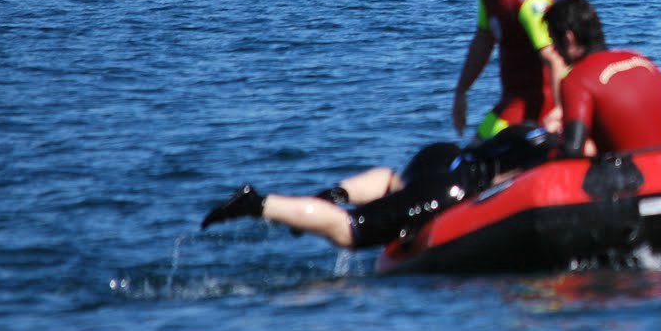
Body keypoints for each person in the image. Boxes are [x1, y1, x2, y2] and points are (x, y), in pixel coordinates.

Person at [199, 125, 551, 248]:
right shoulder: (557, 151)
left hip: (446, 155)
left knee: (393, 182)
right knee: (350, 231)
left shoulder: (543, 129)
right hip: (450, 189)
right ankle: (256, 203)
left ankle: (333, 195)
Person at [452, 0, 565, 140]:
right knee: (472, 158)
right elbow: (483, 40)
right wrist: (461, 91)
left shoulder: (529, 0)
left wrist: (561, 110)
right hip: (513, 99)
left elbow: (555, 59)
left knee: (480, 159)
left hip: (540, 105)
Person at [546, 0, 661, 156]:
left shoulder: (576, 79)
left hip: (630, 175)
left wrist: (551, 139)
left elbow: (572, 150)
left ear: (569, 38)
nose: (554, 50)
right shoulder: (641, 60)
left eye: (554, 41)